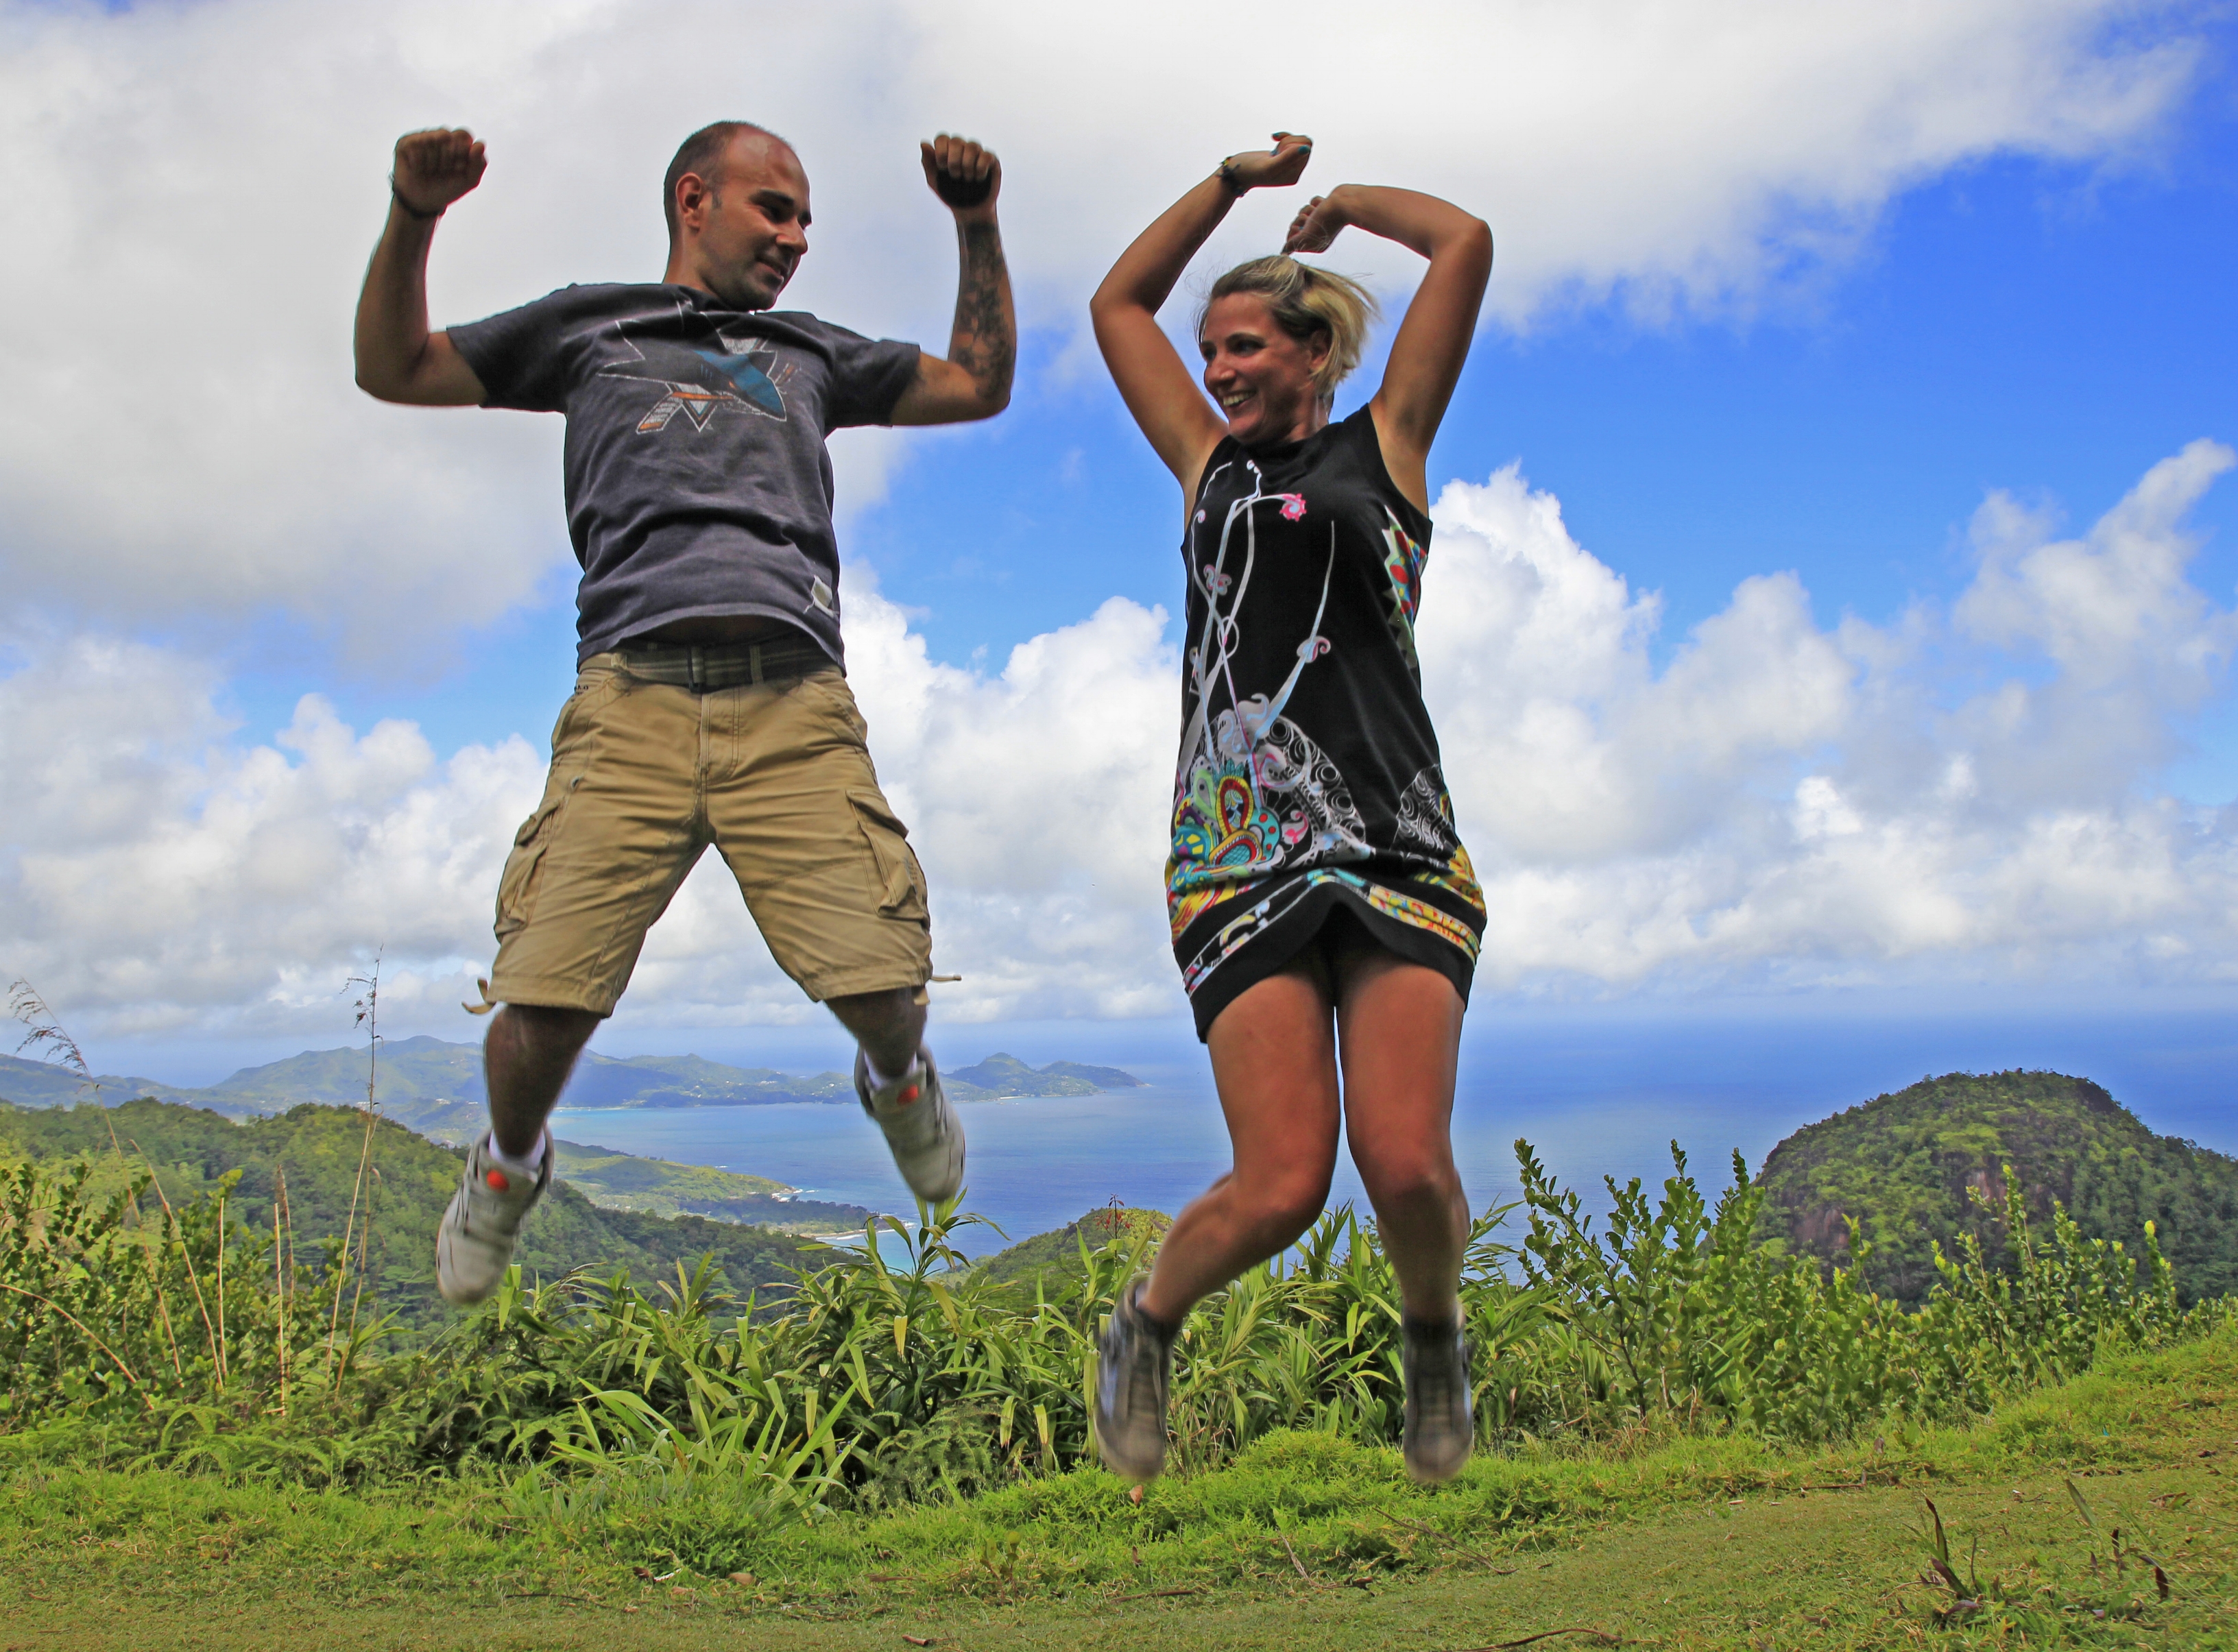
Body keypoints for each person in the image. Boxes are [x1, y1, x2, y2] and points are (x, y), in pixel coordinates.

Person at [353, 121, 1015, 1305]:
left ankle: (899, 1082)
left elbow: (977, 385)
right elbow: (393, 367)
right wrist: (415, 213)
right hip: (631, 697)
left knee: (883, 980)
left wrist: (976, 222)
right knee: (541, 1002)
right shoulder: (587, 327)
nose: (797, 239)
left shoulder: (812, 352)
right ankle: (510, 1163)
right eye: (776, 211)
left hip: (793, 699)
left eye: (807, 219)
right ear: (695, 200)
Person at [1087, 133, 1493, 1482]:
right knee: (1282, 1184)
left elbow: (1465, 242)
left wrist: (1344, 208)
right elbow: (1115, 308)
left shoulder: (1391, 443)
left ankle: (1432, 1340)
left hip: (1397, 843)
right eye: (1212, 356)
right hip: (1234, 858)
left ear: (1315, 352)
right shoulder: (1207, 469)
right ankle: (1145, 1325)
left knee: (1411, 1165)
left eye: (1248, 349)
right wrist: (1225, 187)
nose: (1221, 374)